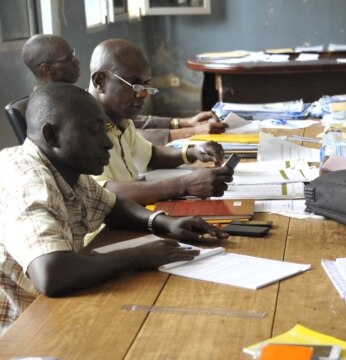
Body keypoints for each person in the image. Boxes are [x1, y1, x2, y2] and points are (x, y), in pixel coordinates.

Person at [0, 83, 229, 334]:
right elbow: (51, 274)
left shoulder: (64, 168)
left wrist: (164, 222)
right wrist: (139, 256)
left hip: (54, 308)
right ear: (51, 135)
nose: (107, 143)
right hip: (20, 331)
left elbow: (112, 205)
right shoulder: (29, 182)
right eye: (94, 131)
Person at [88, 39, 234, 205]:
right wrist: (183, 185)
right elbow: (102, 193)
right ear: (100, 81)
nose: (143, 94)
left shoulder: (120, 120)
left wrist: (192, 152)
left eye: (146, 85)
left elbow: (150, 155)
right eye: (134, 85)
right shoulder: (81, 127)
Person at [21, 34, 227, 146]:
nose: (77, 62)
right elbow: (124, 137)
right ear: (46, 68)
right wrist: (189, 132)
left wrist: (181, 122)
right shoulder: (60, 110)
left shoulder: (71, 97)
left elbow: (130, 123)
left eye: (74, 54)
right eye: (68, 59)